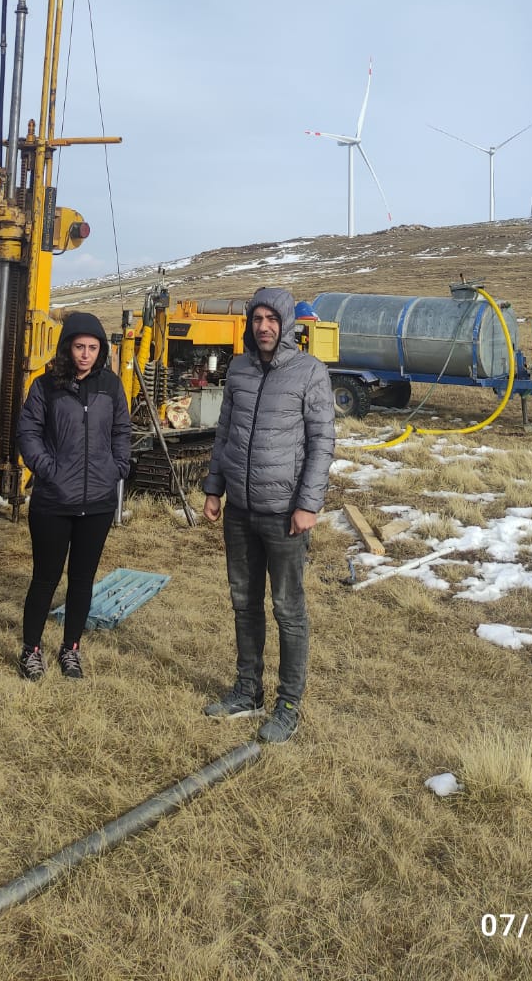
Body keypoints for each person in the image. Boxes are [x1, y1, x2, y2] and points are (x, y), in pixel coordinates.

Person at [201, 286, 335, 744]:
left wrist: (308, 505)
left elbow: (322, 444)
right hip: (239, 509)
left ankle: (289, 704)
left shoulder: (309, 372)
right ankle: (247, 690)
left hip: (285, 517)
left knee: (288, 610)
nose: (263, 327)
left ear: (285, 324)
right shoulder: (238, 369)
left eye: (271, 319)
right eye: (257, 319)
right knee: (244, 603)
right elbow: (225, 435)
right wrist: (214, 489)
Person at [15, 311, 132, 681]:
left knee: (83, 580)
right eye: (79, 346)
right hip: (53, 501)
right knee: (45, 578)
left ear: (101, 350)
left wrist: (117, 467)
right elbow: (28, 432)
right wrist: (47, 470)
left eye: (93, 347)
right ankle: (31, 650)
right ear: (67, 348)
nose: (85, 354)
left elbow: (121, 431)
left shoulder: (111, 387)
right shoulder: (44, 385)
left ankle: (71, 649)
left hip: (97, 502)